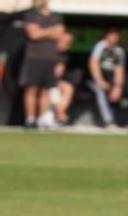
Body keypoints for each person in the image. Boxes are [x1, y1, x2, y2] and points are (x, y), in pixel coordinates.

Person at [19, 0, 64, 129]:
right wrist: (50, 31)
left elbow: (59, 33)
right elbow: (33, 34)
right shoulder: (30, 15)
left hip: (50, 58)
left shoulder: (56, 16)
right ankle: (30, 119)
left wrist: (42, 32)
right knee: (31, 89)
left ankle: (41, 119)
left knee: (46, 91)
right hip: (34, 58)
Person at [87, 28, 126, 128]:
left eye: (116, 35)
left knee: (117, 92)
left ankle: (121, 121)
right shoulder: (100, 46)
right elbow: (93, 63)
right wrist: (100, 81)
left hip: (109, 80)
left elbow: (119, 70)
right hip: (93, 79)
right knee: (100, 90)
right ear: (107, 36)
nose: (115, 37)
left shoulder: (119, 50)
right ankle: (108, 121)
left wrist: (118, 87)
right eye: (112, 35)